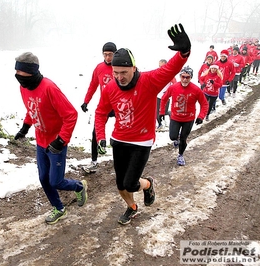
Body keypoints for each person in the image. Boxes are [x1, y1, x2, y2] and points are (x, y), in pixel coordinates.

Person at [95, 23, 191, 225]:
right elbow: (101, 111)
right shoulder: (111, 87)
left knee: (131, 183)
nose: (119, 77)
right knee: (120, 184)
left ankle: (147, 185)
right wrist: (101, 136)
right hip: (119, 140)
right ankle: (132, 207)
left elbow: (170, 68)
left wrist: (184, 52)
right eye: (116, 73)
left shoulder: (149, 81)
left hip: (141, 141)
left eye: (124, 72)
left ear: (133, 67)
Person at [14, 52, 88, 225]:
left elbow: (71, 115)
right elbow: (32, 108)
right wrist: (25, 127)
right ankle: (59, 208)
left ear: (31, 72)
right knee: (43, 178)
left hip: (56, 143)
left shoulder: (49, 88)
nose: (19, 78)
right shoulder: (23, 87)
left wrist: (61, 140)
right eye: (17, 74)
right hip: (41, 141)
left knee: (56, 181)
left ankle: (79, 187)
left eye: (22, 74)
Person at [160, 66, 209, 166]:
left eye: (187, 77)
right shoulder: (173, 87)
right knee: (172, 136)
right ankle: (176, 138)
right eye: (183, 77)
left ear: (191, 78)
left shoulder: (196, 89)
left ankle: (180, 155)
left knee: (183, 139)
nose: (185, 79)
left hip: (188, 119)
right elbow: (164, 99)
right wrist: (161, 112)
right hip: (175, 117)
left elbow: (204, 103)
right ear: (180, 76)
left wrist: (201, 116)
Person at [80, 42, 117, 174]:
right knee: (95, 133)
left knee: (124, 133)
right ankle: (94, 162)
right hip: (104, 106)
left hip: (119, 105)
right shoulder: (99, 68)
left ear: (115, 54)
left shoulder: (120, 67)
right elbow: (93, 85)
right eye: (105, 54)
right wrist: (86, 101)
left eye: (110, 55)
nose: (108, 58)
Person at [156, 59, 176, 131]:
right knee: (156, 112)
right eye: (159, 66)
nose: (160, 67)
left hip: (166, 96)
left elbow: (175, 84)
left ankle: (170, 117)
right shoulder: (158, 72)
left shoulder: (169, 74)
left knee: (164, 112)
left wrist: (170, 92)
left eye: (162, 66)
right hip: (158, 96)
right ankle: (160, 124)